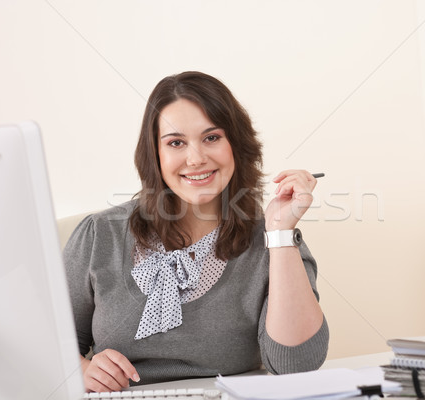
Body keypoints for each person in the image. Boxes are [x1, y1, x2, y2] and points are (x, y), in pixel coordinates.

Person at [63, 71, 329, 393]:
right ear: (155, 155)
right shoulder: (99, 234)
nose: (196, 159)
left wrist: (280, 233)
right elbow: (44, 344)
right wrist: (80, 369)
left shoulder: (274, 241)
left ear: (236, 146)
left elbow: (294, 366)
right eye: (176, 142)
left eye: (212, 137)